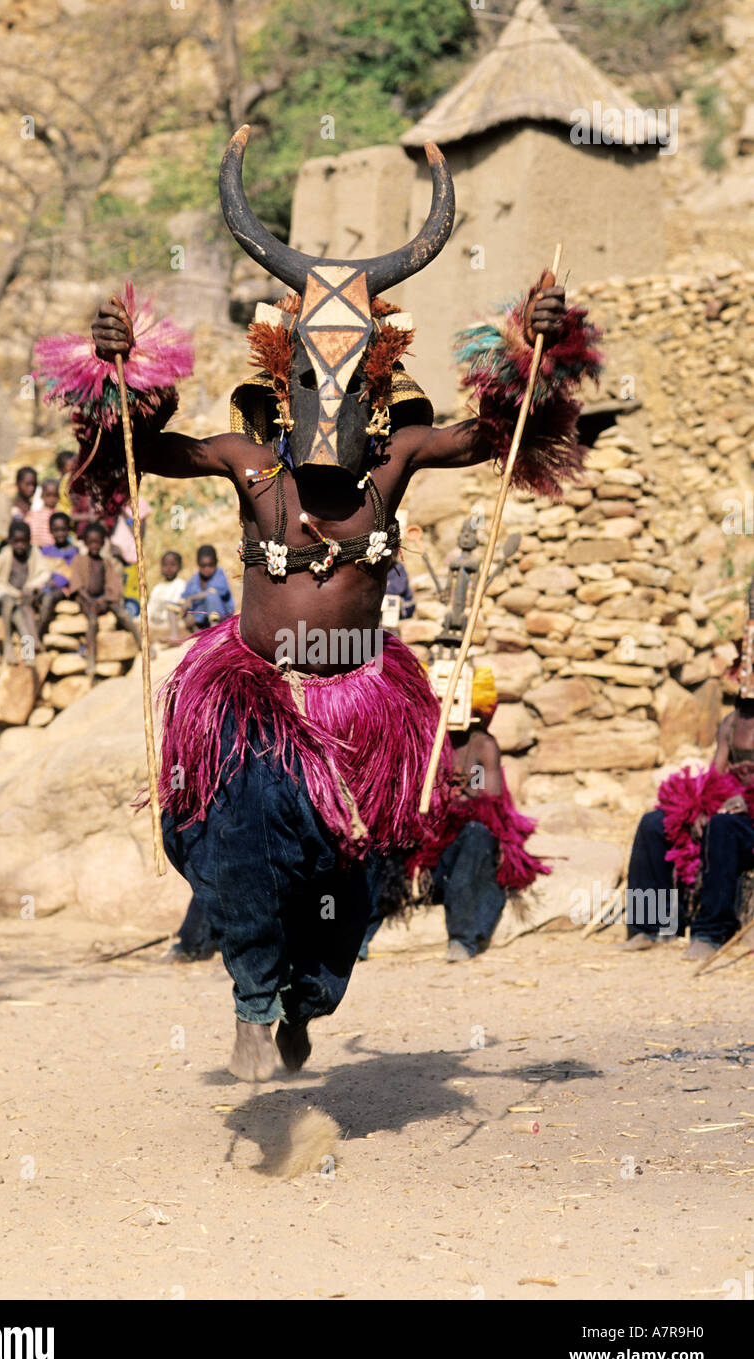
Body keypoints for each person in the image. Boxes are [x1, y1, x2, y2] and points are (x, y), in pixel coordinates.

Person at [79, 128, 595, 1081]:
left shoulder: (396, 464)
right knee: (241, 831)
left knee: (352, 882)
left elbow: (497, 431)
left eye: (353, 381)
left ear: (380, 381)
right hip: (253, 696)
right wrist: (121, 376)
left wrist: (534, 346)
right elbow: (132, 451)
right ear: (281, 380)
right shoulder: (246, 462)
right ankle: (248, 995)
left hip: (365, 702)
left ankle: (305, 1002)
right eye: (313, 379)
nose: (333, 401)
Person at [360, 668, 546, 962]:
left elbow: (491, 808)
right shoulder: (422, 740)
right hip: (419, 854)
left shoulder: (482, 746)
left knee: (477, 835)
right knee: (379, 835)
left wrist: (452, 798)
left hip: (459, 855)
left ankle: (463, 937)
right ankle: (359, 936)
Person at [623, 583, 754, 964]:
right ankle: (653, 925)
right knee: (654, 823)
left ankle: (712, 932)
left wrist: (745, 803)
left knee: (723, 828)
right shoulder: (731, 723)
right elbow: (715, 778)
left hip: (744, 823)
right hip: (731, 815)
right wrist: (700, 806)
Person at [0, 519, 51, 664]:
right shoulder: (4, 556)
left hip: (21, 600)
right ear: (10, 541)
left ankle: (28, 653)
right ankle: (8, 643)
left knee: (21, 616)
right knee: (8, 602)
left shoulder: (33, 554)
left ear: (29, 541)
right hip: (4, 594)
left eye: (23, 541)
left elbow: (44, 572)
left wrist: (31, 586)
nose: (20, 545)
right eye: (16, 541)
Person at [68, 521, 141, 675]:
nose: (95, 546)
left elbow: (113, 585)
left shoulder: (106, 563)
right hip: (87, 600)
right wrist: (90, 600)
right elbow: (77, 585)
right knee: (92, 622)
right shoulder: (79, 560)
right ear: (86, 542)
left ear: (103, 543)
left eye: (98, 542)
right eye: (91, 542)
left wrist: (105, 600)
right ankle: (91, 659)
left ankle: (142, 644)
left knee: (122, 614)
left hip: (102, 599)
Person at [37, 511, 79, 638]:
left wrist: (54, 583)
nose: (60, 533)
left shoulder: (73, 551)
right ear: (50, 530)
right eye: (56, 530)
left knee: (48, 598)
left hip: (61, 589)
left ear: (68, 530)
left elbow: (69, 574)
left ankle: (37, 634)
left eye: (63, 529)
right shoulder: (45, 550)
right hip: (44, 585)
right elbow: (39, 569)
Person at [182, 544, 235, 629]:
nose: (207, 569)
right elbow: (185, 597)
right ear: (198, 564)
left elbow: (213, 592)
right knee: (172, 605)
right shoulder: (194, 579)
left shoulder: (219, 574)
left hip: (221, 614)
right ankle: (175, 633)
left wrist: (192, 598)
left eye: (210, 565)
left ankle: (215, 629)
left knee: (211, 597)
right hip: (201, 615)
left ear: (216, 563)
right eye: (203, 566)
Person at [148, 550, 189, 641]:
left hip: (171, 622)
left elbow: (176, 608)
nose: (169, 568)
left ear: (179, 567)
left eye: (173, 565)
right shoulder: (157, 588)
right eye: (165, 565)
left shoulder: (181, 585)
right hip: (156, 622)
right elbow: (151, 607)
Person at [28, 477, 60, 547]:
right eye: (48, 495)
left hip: (50, 551)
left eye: (54, 495)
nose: (51, 499)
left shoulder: (58, 516)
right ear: (42, 495)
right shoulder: (32, 515)